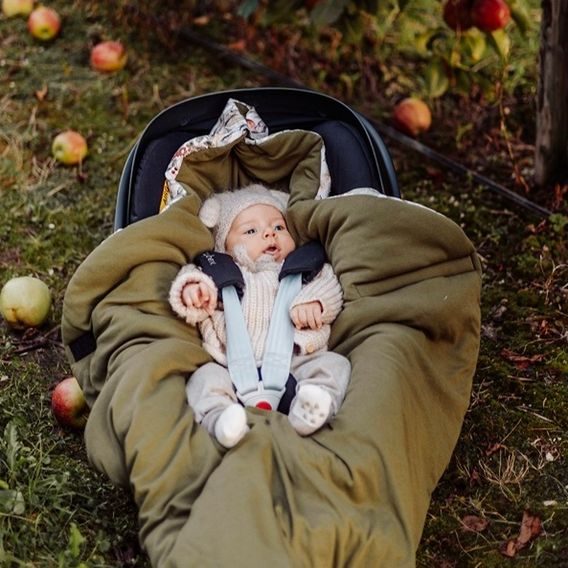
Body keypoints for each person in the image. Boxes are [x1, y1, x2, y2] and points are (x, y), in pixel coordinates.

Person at [169, 184, 350, 448]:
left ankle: (311, 406)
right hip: (229, 367)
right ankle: (222, 420)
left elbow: (330, 286)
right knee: (204, 379)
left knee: (335, 365)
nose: (269, 233)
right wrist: (193, 291)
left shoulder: (302, 268)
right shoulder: (220, 271)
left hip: (296, 362)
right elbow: (188, 276)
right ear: (224, 245)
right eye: (251, 231)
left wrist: (314, 303)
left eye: (278, 227)